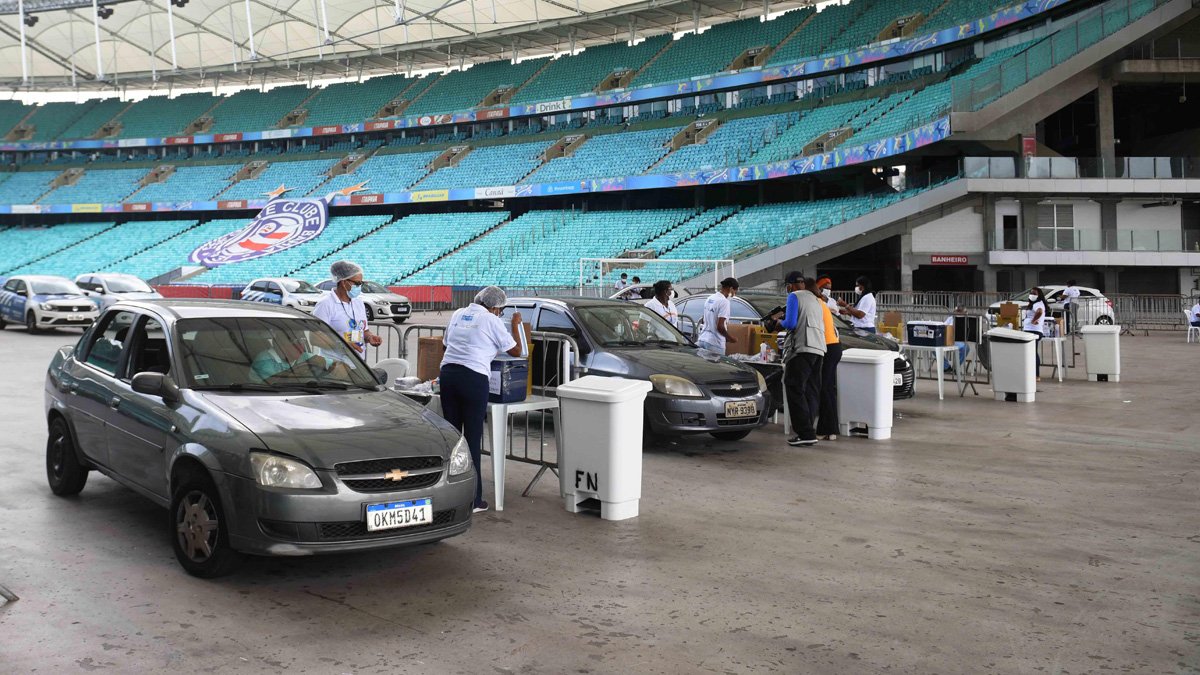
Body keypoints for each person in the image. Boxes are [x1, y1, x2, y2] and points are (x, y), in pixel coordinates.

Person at [440, 286, 524, 514]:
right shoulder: (491, 319)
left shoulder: (458, 313)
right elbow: (516, 351)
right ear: (496, 307)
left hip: (448, 375)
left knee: (452, 438)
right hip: (473, 378)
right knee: (472, 438)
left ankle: (449, 496)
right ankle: (474, 500)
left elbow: (445, 343)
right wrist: (515, 325)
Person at [780, 273, 826, 446]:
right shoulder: (816, 299)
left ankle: (805, 433)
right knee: (811, 391)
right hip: (819, 349)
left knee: (794, 388)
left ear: (790, 285)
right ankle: (809, 431)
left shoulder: (794, 296)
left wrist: (779, 322)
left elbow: (791, 324)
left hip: (802, 349)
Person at [313, 260, 383, 354]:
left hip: (357, 364)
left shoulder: (358, 303)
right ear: (344, 282)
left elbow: (364, 331)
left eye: (361, 283)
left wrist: (370, 337)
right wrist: (342, 345)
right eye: (357, 283)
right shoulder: (325, 304)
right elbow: (315, 338)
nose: (360, 286)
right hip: (335, 364)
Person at [813, 281, 841, 442]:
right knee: (828, 389)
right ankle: (830, 429)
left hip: (828, 347)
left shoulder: (816, 304)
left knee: (825, 389)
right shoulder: (821, 303)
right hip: (833, 346)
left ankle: (826, 429)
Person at [697, 277, 739, 353]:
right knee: (717, 365)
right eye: (734, 292)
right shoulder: (724, 302)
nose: (733, 295)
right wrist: (730, 338)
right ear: (731, 289)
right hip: (715, 343)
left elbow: (704, 319)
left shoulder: (710, 298)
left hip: (702, 339)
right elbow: (720, 327)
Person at [1024, 287, 1050, 381]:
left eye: (1034, 293)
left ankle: (1036, 375)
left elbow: (1039, 311)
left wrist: (1034, 320)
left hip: (1033, 331)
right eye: (1031, 293)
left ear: (1039, 295)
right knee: (1031, 352)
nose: (1032, 295)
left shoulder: (1038, 304)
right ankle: (1033, 374)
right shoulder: (1034, 304)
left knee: (1032, 353)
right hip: (1030, 330)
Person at [943, 306, 969, 372]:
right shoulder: (950, 319)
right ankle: (946, 366)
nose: (958, 313)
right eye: (957, 311)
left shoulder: (968, 320)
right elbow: (943, 326)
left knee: (965, 348)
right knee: (934, 347)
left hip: (959, 341)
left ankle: (955, 367)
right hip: (948, 339)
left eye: (960, 312)